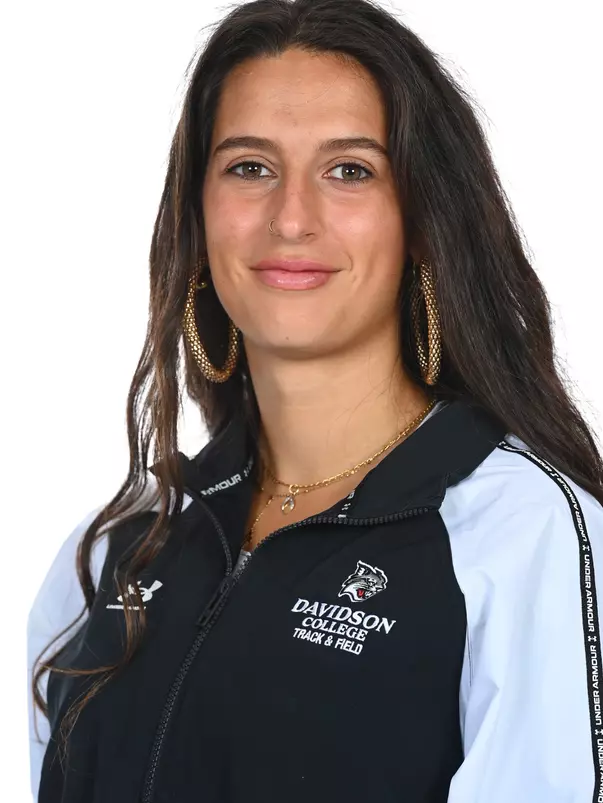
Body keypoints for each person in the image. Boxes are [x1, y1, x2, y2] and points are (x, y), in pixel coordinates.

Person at [27, 0, 603, 800]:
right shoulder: (116, 551)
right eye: (249, 167)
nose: (291, 218)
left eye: (349, 170)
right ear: (198, 213)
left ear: (421, 220)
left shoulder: (522, 536)